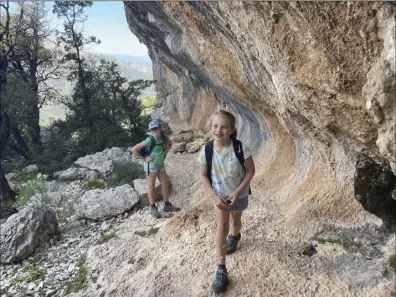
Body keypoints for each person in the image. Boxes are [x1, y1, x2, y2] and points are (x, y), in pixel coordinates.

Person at [198, 110, 255, 293]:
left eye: (224, 127)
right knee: (221, 227)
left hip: (239, 194)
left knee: (235, 222)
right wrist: (214, 196)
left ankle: (235, 236)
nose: (218, 130)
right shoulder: (206, 150)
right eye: (215, 126)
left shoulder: (240, 148)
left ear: (231, 130)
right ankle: (221, 269)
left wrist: (237, 192)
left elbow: (250, 171)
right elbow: (203, 175)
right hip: (220, 195)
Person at [131, 119, 180, 218]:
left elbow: (169, 144)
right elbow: (134, 149)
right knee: (151, 185)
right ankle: (153, 207)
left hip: (160, 164)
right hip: (151, 165)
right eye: (153, 129)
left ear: (160, 128)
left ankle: (167, 205)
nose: (155, 131)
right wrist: (144, 158)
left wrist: (165, 153)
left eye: (156, 128)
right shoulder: (150, 139)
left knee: (165, 184)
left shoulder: (164, 138)